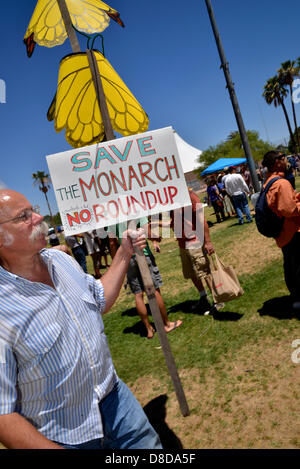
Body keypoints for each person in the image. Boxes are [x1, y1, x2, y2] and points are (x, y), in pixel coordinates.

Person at [0, 189, 162, 449]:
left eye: (34, 210)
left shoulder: (60, 260)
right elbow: (3, 414)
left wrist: (124, 252)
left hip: (116, 400)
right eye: (24, 216)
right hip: (65, 436)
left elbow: (99, 298)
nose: (39, 217)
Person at [108, 218, 182, 339]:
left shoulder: (112, 216)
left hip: (127, 258)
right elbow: (148, 232)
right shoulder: (135, 208)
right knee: (154, 289)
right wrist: (156, 238)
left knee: (138, 294)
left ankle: (149, 329)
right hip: (143, 253)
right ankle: (166, 324)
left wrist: (116, 262)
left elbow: (112, 242)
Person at [168, 189, 219, 315]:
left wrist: (208, 241)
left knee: (204, 272)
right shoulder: (170, 200)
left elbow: (202, 220)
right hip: (182, 244)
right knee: (192, 273)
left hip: (194, 241)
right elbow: (173, 222)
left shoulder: (191, 196)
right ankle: (203, 298)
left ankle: (217, 300)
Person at [261, 151, 300, 310]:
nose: (286, 160)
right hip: (292, 231)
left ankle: (296, 296)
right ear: (277, 162)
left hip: (283, 233)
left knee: (291, 264)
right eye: (283, 158)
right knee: (297, 265)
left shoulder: (269, 182)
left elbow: (281, 204)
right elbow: (289, 210)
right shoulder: (281, 183)